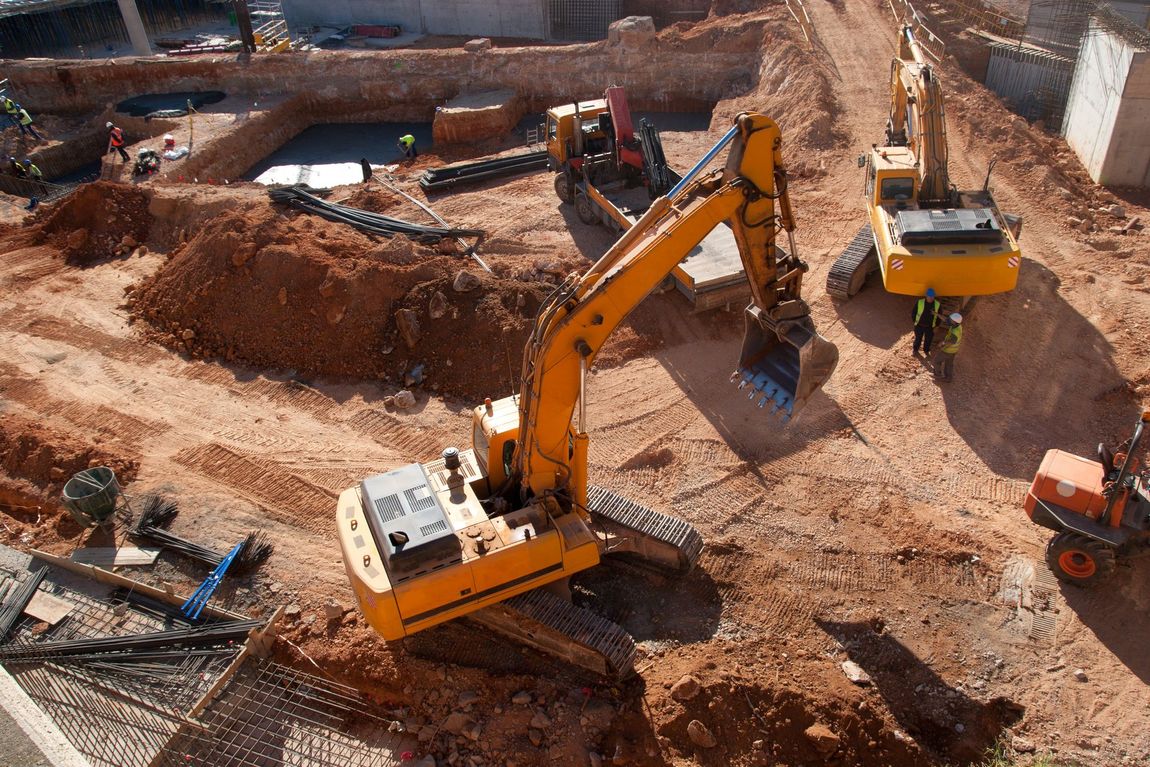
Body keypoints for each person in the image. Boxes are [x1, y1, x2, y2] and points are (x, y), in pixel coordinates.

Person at [911, 288, 941, 356]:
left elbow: (939, 317)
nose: (930, 298)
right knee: (918, 339)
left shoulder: (937, 305)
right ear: (926, 296)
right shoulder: (920, 302)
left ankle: (926, 350)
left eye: (932, 297)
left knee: (928, 340)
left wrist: (937, 326)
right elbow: (914, 312)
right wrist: (915, 322)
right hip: (919, 325)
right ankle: (915, 350)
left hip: (930, 327)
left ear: (934, 296)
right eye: (929, 296)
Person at [934, 313, 963, 382]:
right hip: (954, 350)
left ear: (954, 321)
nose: (949, 320)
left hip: (948, 350)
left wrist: (942, 344)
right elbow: (946, 319)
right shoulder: (957, 325)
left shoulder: (955, 332)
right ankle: (948, 378)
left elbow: (951, 342)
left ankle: (938, 375)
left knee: (937, 361)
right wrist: (937, 314)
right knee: (949, 364)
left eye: (950, 320)